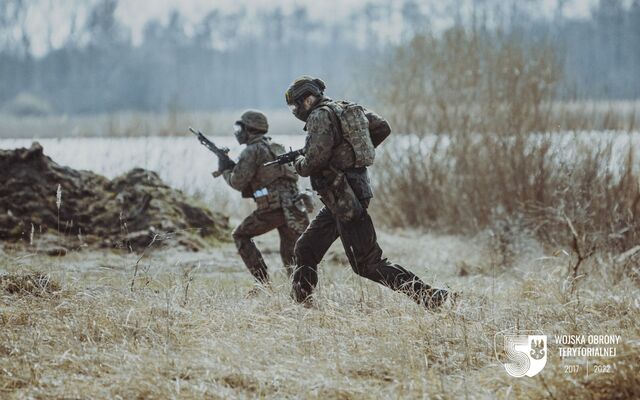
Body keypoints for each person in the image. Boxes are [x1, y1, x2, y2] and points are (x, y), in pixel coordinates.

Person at [284, 76, 452, 309]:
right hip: (344, 194)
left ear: (309, 98)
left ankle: (428, 295)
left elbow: (313, 162)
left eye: (296, 104)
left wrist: (298, 162)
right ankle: (301, 307)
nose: (295, 110)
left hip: (345, 197)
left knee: (367, 263)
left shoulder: (319, 115)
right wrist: (348, 152)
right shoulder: (345, 108)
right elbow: (381, 127)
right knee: (306, 248)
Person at [219, 110, 311, 291]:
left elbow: (237, 182)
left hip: (274, 208)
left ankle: (262, 284)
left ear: (250, 130)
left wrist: (224, 168)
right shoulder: (276, 146)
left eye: (240, 128)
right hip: (295, 207)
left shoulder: (252, 151)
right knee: (291, 253)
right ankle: (303, 293)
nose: (238, 132)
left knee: (240, 235)